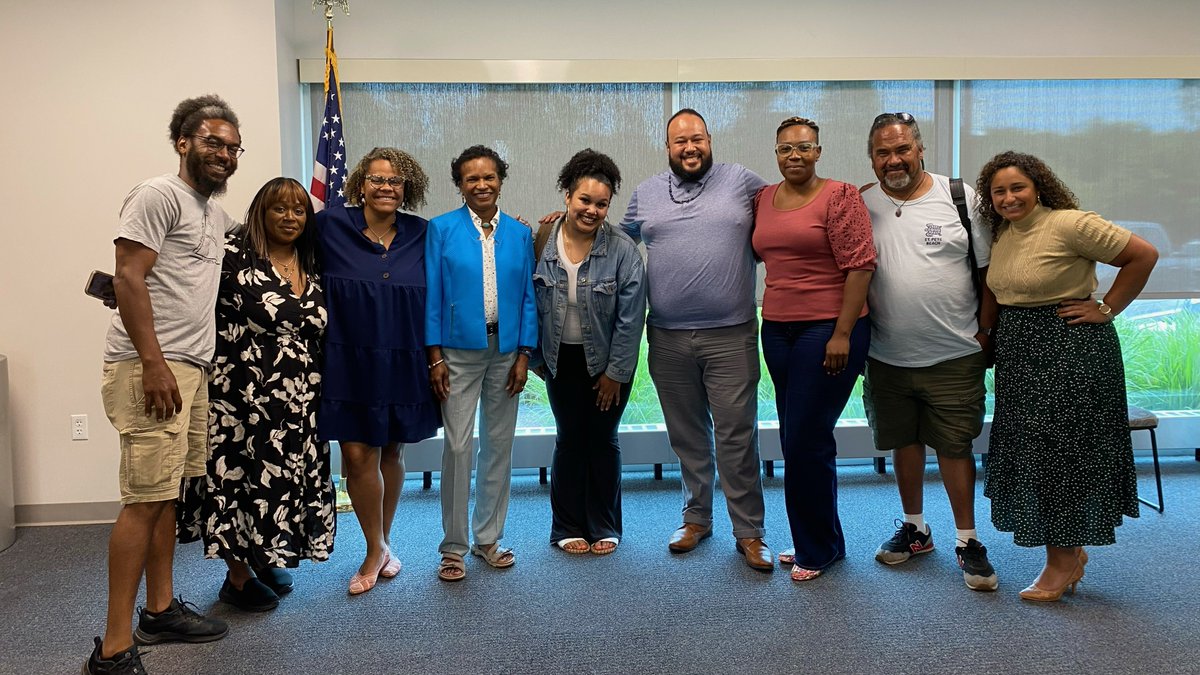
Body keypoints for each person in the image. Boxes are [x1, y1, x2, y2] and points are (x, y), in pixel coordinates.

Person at [86, 95, 239, 675]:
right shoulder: (157, 194)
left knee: (167, 494)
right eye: (211, 142)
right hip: (153, 365)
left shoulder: (209, 211)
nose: (222, 154)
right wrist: (152, 363)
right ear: (183, 142)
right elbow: (128, 276)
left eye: (231, 147)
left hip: (190, 368)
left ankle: (159, 608)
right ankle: (113, 649)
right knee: (144, 499)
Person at [976, 151, 1158, 602]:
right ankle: (1069, 554)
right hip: (1021, 355)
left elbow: (1143, 255)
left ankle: (1060, 563)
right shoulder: (1006, 233)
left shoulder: (1071, 224)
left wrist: (1106, 308)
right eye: (999, 191)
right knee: (1037, 453)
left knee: (1064, 454)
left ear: (1038, 186)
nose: (1008, 197)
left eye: (1017, 187)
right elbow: (999, 292)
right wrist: (986, 336)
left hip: (1070, 350)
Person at [620, 109, 774, 571]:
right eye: (679, 141)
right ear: (667, 148)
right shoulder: (645, 193)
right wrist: (563, 220)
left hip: (731, 334)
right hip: (666, 337)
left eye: (698, 139)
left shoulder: (742, 182)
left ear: (710, 140)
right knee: (688, 437)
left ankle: (749, 531)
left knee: (735, 436)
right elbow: (612, 243)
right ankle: (696, 518)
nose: (690, 148)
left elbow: (788, 209)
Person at [176, 177, 334, 611]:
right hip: (241, 398)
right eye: (279, 209)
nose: (290, 217)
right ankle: (237, 576)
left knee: (280, 483)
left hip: (301, 401)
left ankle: (262, 559)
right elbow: (188, 294)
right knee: (239, 481)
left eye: (299, 210)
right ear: (261, 213)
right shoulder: (232, 256)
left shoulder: (312, 260)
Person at [856, 113, 999, 591]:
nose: (893, 160)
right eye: (882, 152)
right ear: (872, 157)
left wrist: (984, 333)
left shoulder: (960, 198)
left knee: (955, 447)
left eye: (901, 150)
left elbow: (988, 273)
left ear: (920, 150)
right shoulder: (861, 203)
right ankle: (915, 528)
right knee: (904, 441)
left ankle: (968, 540)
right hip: (886, 356)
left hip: (954, 355)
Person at [752, 116, 875, 582]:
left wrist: (842, 333)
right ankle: (821, 540)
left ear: (819, 151)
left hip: (827, 330)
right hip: (777, 329)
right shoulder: (763, 199)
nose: (794, 156)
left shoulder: (841, 196)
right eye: (785, 149)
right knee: (796, 439)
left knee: (806, 439)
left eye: (804, 147)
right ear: (776, 153)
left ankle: (817, 548)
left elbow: (861, 267)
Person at [316, 148, 441, 595]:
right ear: (359, 184)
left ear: (408, 188)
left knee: (391, 451)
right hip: (347, 359)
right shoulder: (329, 225)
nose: (386, 187)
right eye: (377, 179)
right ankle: (374, 547)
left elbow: (471, 255)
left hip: (405, 356)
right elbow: (278, 238)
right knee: (356, 453)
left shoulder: (424, 233)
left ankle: (384, 541)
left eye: (396, 180)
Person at [426, 145, 538, 582]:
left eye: (488, 177)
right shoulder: (442, 230)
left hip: (506, 352)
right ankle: (452, 547)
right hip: (457, 353)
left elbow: (528, 298)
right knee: (457, 447)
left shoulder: (519, 233)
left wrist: (525, 353)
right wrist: (433, 355)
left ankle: (487, 538)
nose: (481, 185)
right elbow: (433, 293)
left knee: (499, 446)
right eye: (471, 178)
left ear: (500, 180)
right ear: (459, 185)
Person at [533, 149, 646, 556]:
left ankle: (604, 524)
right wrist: (535, 360)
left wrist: (615, 373)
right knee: (569, 440)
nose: (592, 210)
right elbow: (527, 302)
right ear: (567, 195)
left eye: (601, 204)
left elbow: (632, 319)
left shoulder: (622, 251)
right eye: (584, 200)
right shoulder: (542, 241)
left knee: (602, 439)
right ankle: (566, 526)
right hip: (559, 359)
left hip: (609, 362)